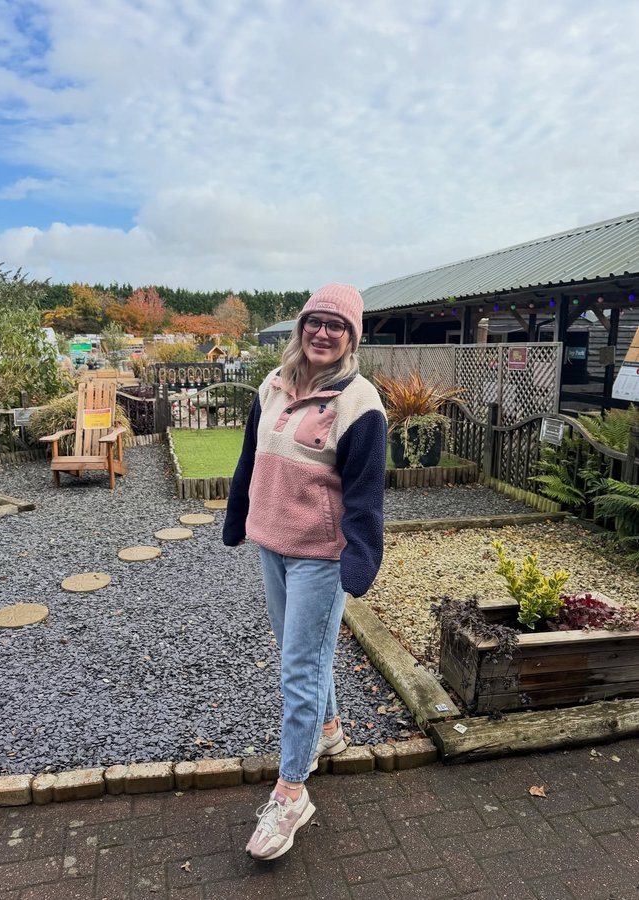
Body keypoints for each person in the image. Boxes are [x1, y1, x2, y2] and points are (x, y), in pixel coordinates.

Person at [223, 283, 387, 860]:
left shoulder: (360, 404)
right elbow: (250, 459)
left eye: (335, 326)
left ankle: (291, 793)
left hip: (319, 554)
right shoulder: (272, 385)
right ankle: (330, 730)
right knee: (308, 654)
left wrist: (362, 555)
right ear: (301, 327)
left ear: (351, 338)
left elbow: (367, 493)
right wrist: (237, 517)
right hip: (271, 543)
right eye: (314, 321)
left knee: (298, 668)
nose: (322, 332)